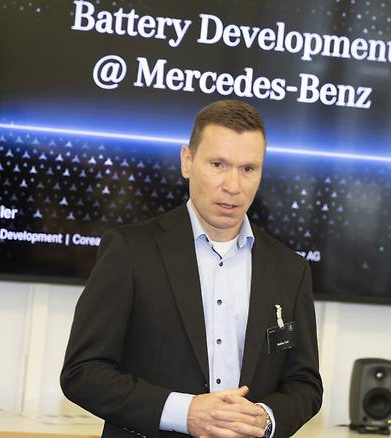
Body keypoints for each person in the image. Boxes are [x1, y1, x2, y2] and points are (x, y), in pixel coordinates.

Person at [61, 99, 323, 438]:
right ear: (187, 161)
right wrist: (183, 412)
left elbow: (304, 384)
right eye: (218, 164)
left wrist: (266, 418)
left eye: (248, 169)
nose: (233, 185)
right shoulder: (130, 251)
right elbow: (83, 372)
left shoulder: (290, 269)